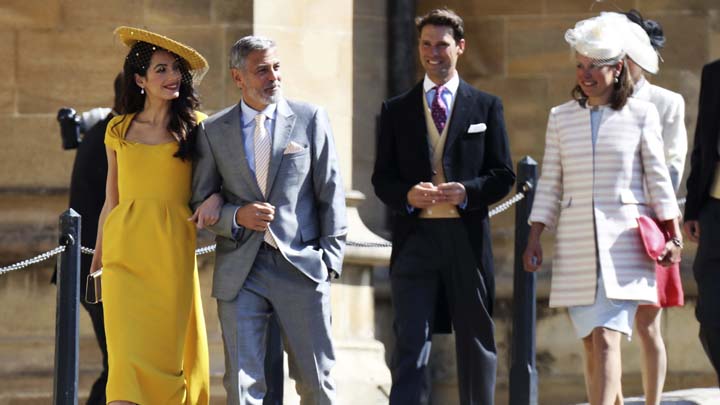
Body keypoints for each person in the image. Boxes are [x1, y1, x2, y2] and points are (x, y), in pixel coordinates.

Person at [522, 14, 682, 405]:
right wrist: (534, 237)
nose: (586, 74)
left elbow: (658, 179)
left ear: (617, 68)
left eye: (594, 66)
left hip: (623, 246)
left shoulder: (642, 115)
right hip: (576, 248)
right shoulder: (560, 118)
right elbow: (551, 183)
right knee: (592, 344)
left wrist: (673, 233)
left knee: (608, 339)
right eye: (580, 66)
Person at [190, 36, 347, 404]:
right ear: (238, 77)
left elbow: (331, 193)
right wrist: (236, 216)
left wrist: (330, 263)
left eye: (276, 67)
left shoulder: (310, 119)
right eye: (262, 70)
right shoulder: (213, 131)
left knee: (316, 383)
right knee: (242, 387)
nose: (273, 77)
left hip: (302, 267)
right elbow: (200, 200)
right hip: (241, 271)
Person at [372, 8, 515, 405]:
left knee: (475, 340)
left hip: (466, 240)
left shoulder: (486, 106)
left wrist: (467, 191)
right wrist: (407, 196)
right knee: (410, 341)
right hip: (414, 241)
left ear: (460, 47)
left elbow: (503, 174)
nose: (434, 53)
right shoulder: (395, 109)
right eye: (426, 45)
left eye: (442, 45)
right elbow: (382, 178)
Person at [90, 26, 216, 404]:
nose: (173, 76)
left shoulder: (198, 126)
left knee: (169, 357)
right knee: (125, 361)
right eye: (161, 69)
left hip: (172, 253)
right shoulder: (118, 128)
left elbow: (222, 181)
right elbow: (111, 200)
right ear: (140, 79)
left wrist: (216, 199)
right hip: (122, 257)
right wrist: (98, 255)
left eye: (176, 69)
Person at [619, 10, 687, 405]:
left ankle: (651, 401)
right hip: (606, 222)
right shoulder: (598, 100)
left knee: (647, 322)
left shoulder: (667, 102)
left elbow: (673, 164)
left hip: (650, 222)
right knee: (602, 326)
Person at [51, 73, 122, 405]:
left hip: (88, 265)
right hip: (98, 266)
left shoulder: (100, 130)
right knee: (118, 366)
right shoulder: (113, 137)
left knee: (118, 364)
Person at [684, 58, 720, 385]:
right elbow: (704, 142)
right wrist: (692, 208)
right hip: (715, 208)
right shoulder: (714, 72)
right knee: (710, 313)